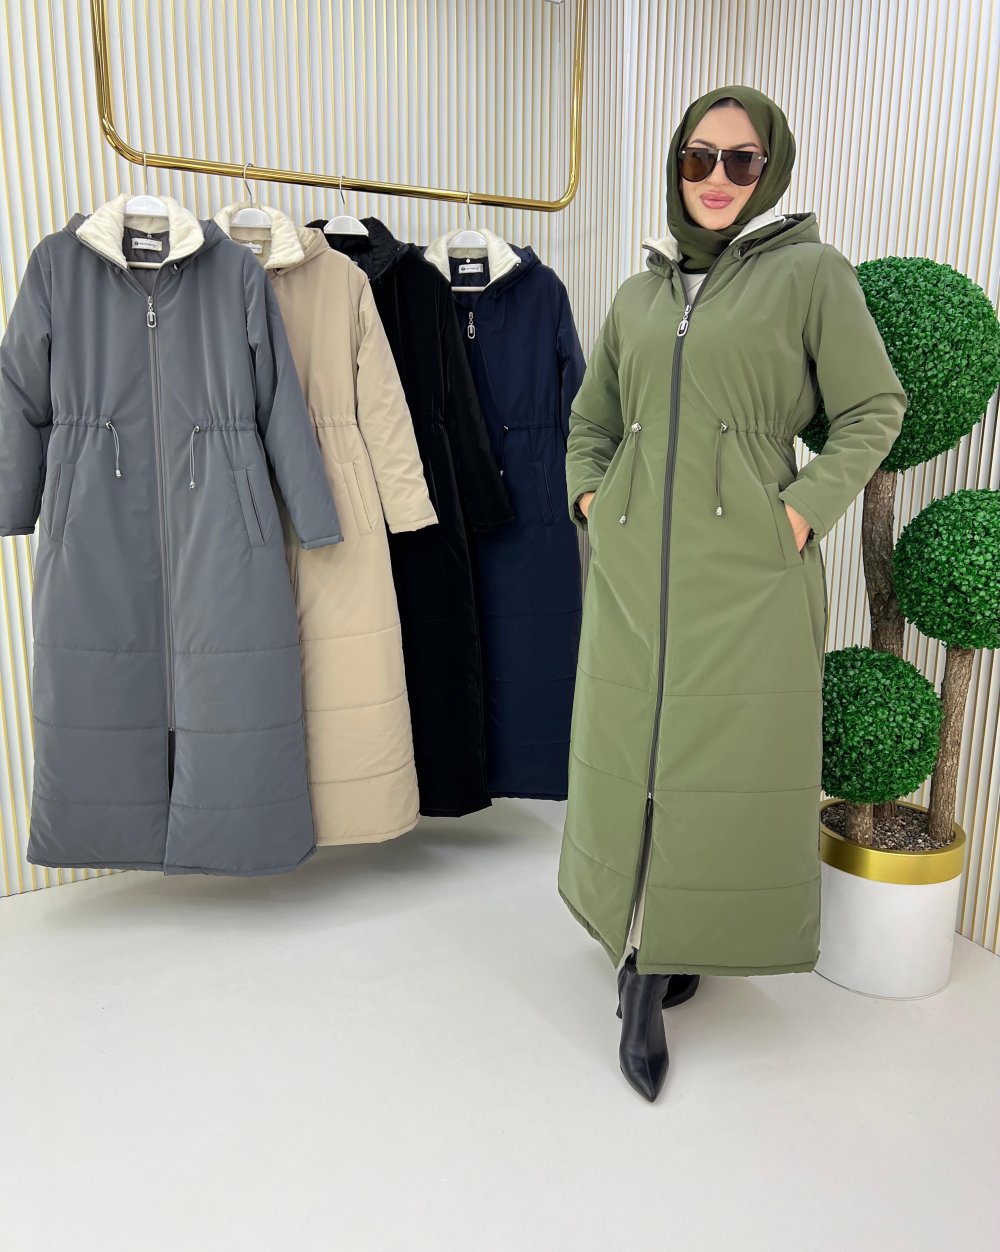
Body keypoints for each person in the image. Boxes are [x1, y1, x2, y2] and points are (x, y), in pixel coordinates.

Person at [558, 85, 907, 1102]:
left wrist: (794, 515)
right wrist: (594, 502)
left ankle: (672, 949)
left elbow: (873, 406)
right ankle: (641, 954)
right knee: (633, 753)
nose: (715, 178)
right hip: (633, 575)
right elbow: (591, 420)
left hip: (749, 577)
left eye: (739, 160)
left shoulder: (812, 275)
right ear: (676, 166)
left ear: (771, 169)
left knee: (716, 763)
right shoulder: (639, 293)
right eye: (697, 158)